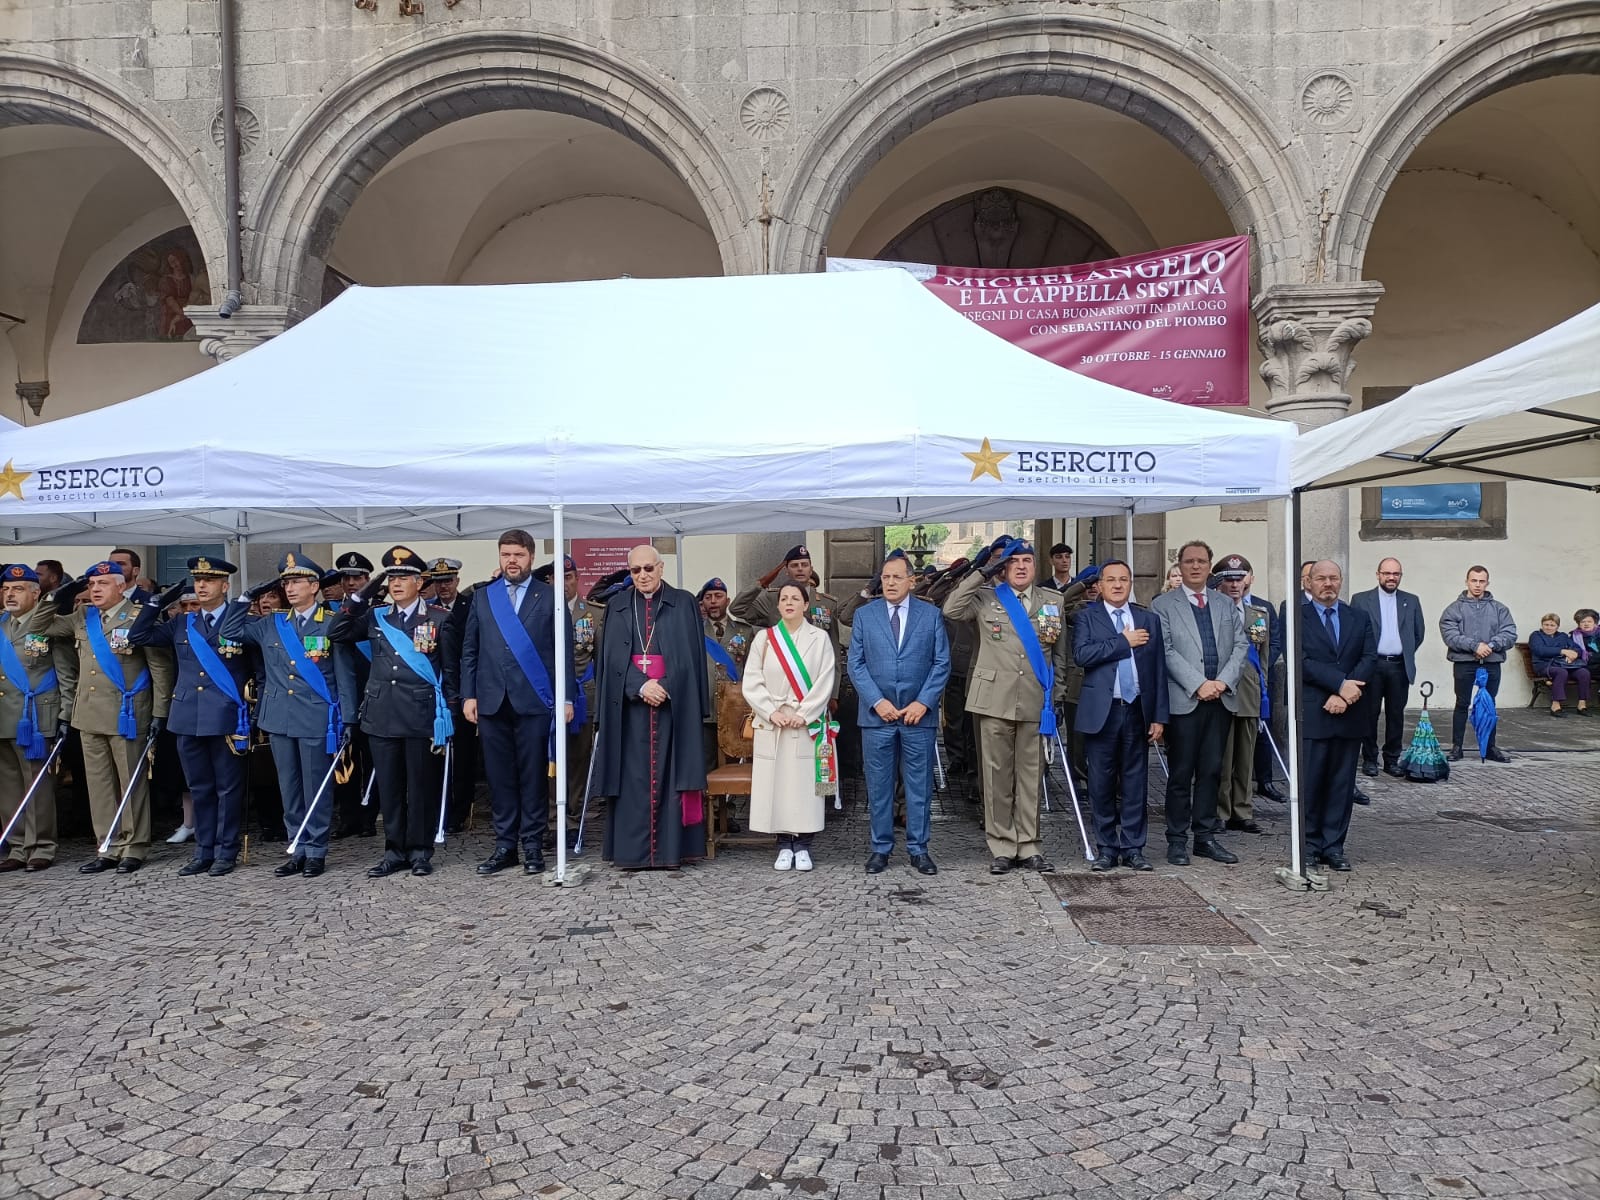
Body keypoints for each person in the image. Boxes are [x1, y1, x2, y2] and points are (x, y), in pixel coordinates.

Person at [32, 561, 174, 874]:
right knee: (99, 785)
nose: (95, 590)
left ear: (121, 586)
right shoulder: (83, 616)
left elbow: (160, 668)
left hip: (127, 712)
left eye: (103, 584)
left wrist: (160, 711)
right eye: (92, 584)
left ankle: (134, 846)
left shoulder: (139, 615)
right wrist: (59, 594)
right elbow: (39, 626)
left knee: (130, 782)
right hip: (88, 712)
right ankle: (107, 845)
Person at [943, 539, 1069, 875]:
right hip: (994, 699)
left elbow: (1059, 655)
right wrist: (982, 572)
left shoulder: (1052, 601)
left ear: (1035, 566)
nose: (1022, 566)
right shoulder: (986, 598)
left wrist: (1056, 696)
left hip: (1035, 699)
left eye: (1027, 560)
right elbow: (951, 609)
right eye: (1014, 561)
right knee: (996, 776)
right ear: (1004, 567)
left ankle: (1029, 845)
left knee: (1031, 777)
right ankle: (1001, 844)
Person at [224, 553, 353, 878]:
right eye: (286, 583)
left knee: (315, 786)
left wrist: (348, 718)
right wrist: (246, 598)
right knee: (289, 787)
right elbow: (230, 630)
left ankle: (316, 849)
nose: (290, 588)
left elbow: (344, 673)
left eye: (296, 582)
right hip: (279, 716)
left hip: (316, 716)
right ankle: (296, 847)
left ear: (314, 586)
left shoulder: (331, 622)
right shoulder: (272, 623)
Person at [330, 546, 454, 877]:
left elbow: (451, 670)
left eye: (403, 578)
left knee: (420, 787)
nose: (396, 584)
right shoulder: (376, 616)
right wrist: (362, 596)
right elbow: (337, 632)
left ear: (419, 582)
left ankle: (420, 851)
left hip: (420, 713)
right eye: (392, 578)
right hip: (382, 713)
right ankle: (394, 851)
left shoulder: (439, 618)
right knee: (389, 788)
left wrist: (451, 711)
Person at [129, 556, 254, 877]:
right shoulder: (182, 623)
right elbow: (138, 636)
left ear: (225, 586)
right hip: (187, 716)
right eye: (198, 580)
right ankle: (203, 851)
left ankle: (225, 851)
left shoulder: (240, 620)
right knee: (199, 787)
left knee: (227, 788)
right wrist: (156, 603)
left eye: (209, 581)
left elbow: (258, 669)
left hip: (226, 716)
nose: (201, 586)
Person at [460, 530, 575, 877]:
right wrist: (468, 694)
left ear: (531, 557)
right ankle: (505, 846)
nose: (512, 561)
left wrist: (566, 697)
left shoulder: (549, 596)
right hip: (492, 700)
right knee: (499, 778)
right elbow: (470, 649)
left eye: (518, 555)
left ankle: (533, 845)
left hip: (534, 700)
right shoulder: (484, 597)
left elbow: (564, 653)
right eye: (506, 554)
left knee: (532, 777)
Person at [596, 545, 709, 870]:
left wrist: (667, 685)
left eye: (648, 568)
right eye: (636, 570)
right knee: (631, 780)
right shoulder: (617, 605)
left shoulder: (683, 602)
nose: (643, 576)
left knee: (673, 776)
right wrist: (640, 685)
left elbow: (691, 658)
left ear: (661, 568)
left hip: (673, 708)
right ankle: (632, 853)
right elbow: (609, 659)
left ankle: (672, 852)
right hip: (630, 711)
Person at [848, 552, 950, 875]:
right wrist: (877, 701)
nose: (890, 583)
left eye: (896, 577)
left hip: (917, 716)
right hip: (877, 716)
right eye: (885, 577)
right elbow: (855, 664)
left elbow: (941, 662)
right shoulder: (865, 616)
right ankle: (880, 848)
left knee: (919, 786)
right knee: (879, 787)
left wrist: (924, 702)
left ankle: (919, 849)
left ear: (911, 580)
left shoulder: (930, 615)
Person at [1150, 540, 1247, 867]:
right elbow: (1165, 651)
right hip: (1185, 700)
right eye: (1189, 561)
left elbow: (1241, 646)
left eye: (1201, 561)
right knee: (1181, 773)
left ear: (1209, 566)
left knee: (1212, 771)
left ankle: (1205, 837)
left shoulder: (1225, 603)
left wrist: (1222, 682)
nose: (1195, 566)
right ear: (1180, 565)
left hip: (1220, 699)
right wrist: (1198, 684)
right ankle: (1177, 839)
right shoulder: (1163, 605)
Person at [1073, 560, 1167, 871]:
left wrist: (1159, 716)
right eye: (1111, 580)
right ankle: (1106, 848)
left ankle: (1133, 847)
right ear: (1099, 586)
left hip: (1138, 708)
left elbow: (1158, 669)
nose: (1117, 585)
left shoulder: (1148, 619)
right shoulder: (1087, 617)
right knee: (1100, 783)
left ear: (1130, 584)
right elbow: (1082, 656)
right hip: (1103, 710)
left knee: (1135, 782)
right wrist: (1122, 642)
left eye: (1123, 579)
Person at [732, 545, 853, 778]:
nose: (800, 569)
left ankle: (822, 792)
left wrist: (833, 693)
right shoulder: (771, 599)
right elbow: (738, 608)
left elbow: (834, 651)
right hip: (779, 691)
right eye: (794, 565)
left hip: (814, 692)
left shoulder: (826, 603)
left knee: (817, 756)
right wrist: (763, 582)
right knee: (778, 768)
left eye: (804, 565)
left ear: (811, 568)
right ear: (786, 570)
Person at [743, 582, 838, 870]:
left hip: (805, 723)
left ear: (806, 605)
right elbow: (752, 679)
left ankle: (804, 845)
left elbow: (825, 679)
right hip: (773, 722)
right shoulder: (765, 639)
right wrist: (771, 712)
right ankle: (784, 844)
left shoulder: (819, 638)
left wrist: (805, 713)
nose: (788, 602)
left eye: (795, 598)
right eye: (784, 598)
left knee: (805, 786)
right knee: (775, 785)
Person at [1300, 560, 1377, 872]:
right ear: (1309, 582)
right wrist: (1338, 685)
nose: (1328, 584)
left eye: (1333, 578)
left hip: (1350, 711)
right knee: (1311, 783)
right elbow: (1301, 661)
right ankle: (1308, 845)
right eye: (1321, 578)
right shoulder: (1297, 617)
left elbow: (1368, 657)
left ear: (1341, 581)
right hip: (1314, 711)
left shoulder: (1358, 617)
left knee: (1341, 785)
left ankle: (1334, 846)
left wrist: (1345, 692)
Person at [0, 565, 74, 872]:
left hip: (35, 716)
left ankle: (41, 845)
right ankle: (17, 844)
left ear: (36, 593)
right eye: (6, 589)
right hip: (4, 715)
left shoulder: (49, 625)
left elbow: (65, 673)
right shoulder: (1, 624)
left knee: (38, 784)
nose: (10, 595)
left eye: (18, 589)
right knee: (8, 785)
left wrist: (65, 715)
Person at [1351, 558, 1426, 777]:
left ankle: (1392, 759)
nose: (1391, 578)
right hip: (1372, 666)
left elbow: (1418, 633)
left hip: (1399, 666)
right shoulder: (1361, 600)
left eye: (1396, 574)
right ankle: (1369, 759)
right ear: (1378, 575)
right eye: (1387, 573)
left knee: (1396, 715)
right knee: (1369, 714)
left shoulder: (1411, 600)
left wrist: (1404, 651)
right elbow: (1353, 632)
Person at [1213, 555, 1269, 835]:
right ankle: (1220, 811)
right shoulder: (1212, 612)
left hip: (1248, 691)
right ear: (1219, 583)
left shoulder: (1258, 615)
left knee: (1246, 758)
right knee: (1223, 758)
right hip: (1221, 691)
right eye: (1229, 579)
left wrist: (1263, 691)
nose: (1235, 584)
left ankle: (1242, 810)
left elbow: (1263, 658)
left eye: (1239, 578)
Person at [1438, 565, 1516, 762]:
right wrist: (1474, 646)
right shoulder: (1454, 609)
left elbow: (1509, 633)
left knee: (1489, 704)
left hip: (1491, 662)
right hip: (1464, 662)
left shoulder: (1500, 609)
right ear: (1467, 582)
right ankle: (1457, 747)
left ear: (1487, 583)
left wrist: (1491, 645)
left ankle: (1490, 747)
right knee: (1462, 703)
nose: (1478, 585)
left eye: (1482, 581)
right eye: (1474, 580)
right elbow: (1450, 634)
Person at [329, 551, 376, 839]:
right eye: (346, 578)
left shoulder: (379, 610)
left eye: (357, 578)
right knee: (345, 760)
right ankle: (348, 818)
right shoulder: (333, 612)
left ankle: (370, 816)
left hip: (374, 697)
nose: (351, 582)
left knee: (373, 760)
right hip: (344, 699)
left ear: (367, 579)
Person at [699, 577, 753, 773]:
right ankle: (707, 795)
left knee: (733, 764)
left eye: (718, 596)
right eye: (708, 597)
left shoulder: (745, 631)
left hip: (735, 707)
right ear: (702, 602)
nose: (713, 601)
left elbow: (752, 669)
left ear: (728, 600)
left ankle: (729, 795)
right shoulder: (694, 630)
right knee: (705, 763)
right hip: (705, 708)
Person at [1530, 612, 1589, 716]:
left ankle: (1582, 705)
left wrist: (1574, 654)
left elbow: (1577, 649)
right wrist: (1562, 651)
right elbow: (1540, 650)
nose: (1548, 627)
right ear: (1542, 625)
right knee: (1561, 672)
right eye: (1546, 624)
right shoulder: (1536, 635)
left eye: (1552, 625)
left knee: (1583, 673)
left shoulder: (1563, 636)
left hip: (1564, 665)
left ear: (1557, 626)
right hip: (1544, 665)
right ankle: (1555, 706)